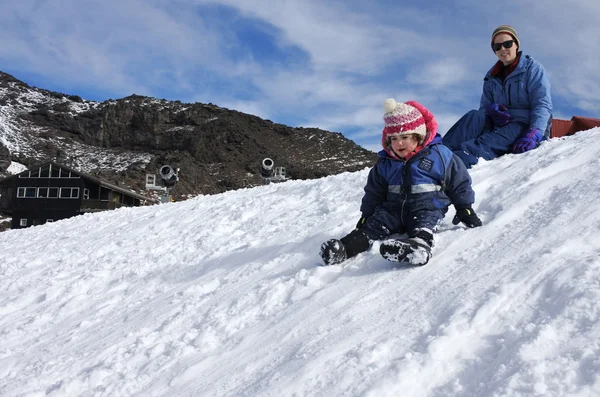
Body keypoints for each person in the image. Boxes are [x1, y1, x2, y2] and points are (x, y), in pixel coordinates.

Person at [320, 99, 482, 267]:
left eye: (405, 137)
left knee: (424, 224)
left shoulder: (439, 155)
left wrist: (465, 208)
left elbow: (459, 182)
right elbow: (374, 192)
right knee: (373, 226)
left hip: (427, 206)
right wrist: (366, 216)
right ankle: (344, 248)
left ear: (419, 136)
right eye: (394, 138)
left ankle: (418, 247)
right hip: (393, 210)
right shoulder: (385, 163)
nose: (399, 143)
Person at [442, 25, 552, 168]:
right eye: (497, 46)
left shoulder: (532, 68)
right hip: (501, 125)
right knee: (474, 116)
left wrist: (535, 132)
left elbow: (542, 104)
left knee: (481, 144)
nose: (503, 49)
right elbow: (483, 110)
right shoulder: (491, 77)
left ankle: (459, 160)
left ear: (516, 45)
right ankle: (439, 153)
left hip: (525, 126)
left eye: (507, 44)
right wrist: (492, 112)